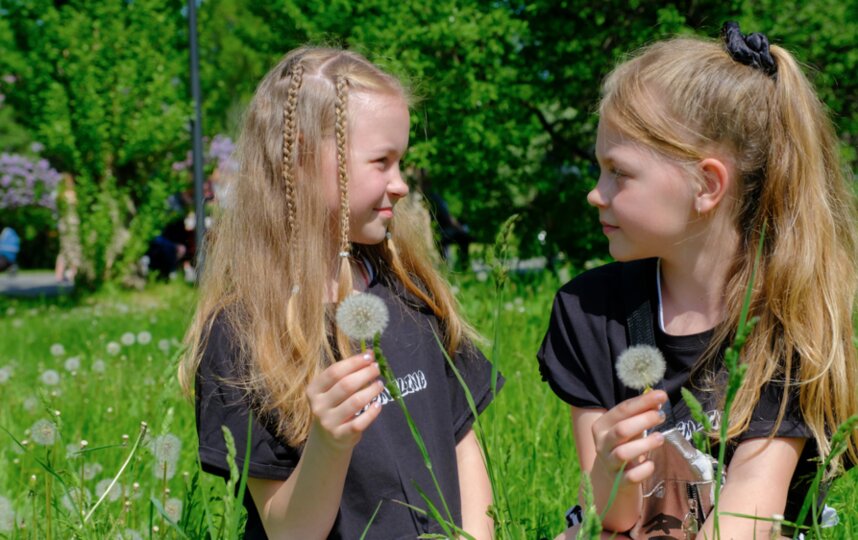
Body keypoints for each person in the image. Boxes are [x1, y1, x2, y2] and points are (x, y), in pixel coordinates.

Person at [537, 23, 857, 539]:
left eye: (618, 172)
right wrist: (607, 469)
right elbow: (613, 519)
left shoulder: (786, 316)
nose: (596, 194)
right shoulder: (588, 309)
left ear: (706, 185)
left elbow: (749, 513)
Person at [179, 47, 500, 540]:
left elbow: (462, 447)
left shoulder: (412, 294)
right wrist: (328, 444)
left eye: (402, 162)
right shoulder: (243, 333)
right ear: (302, 159)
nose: (400, 185)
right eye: (382, 162)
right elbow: (289, 531)